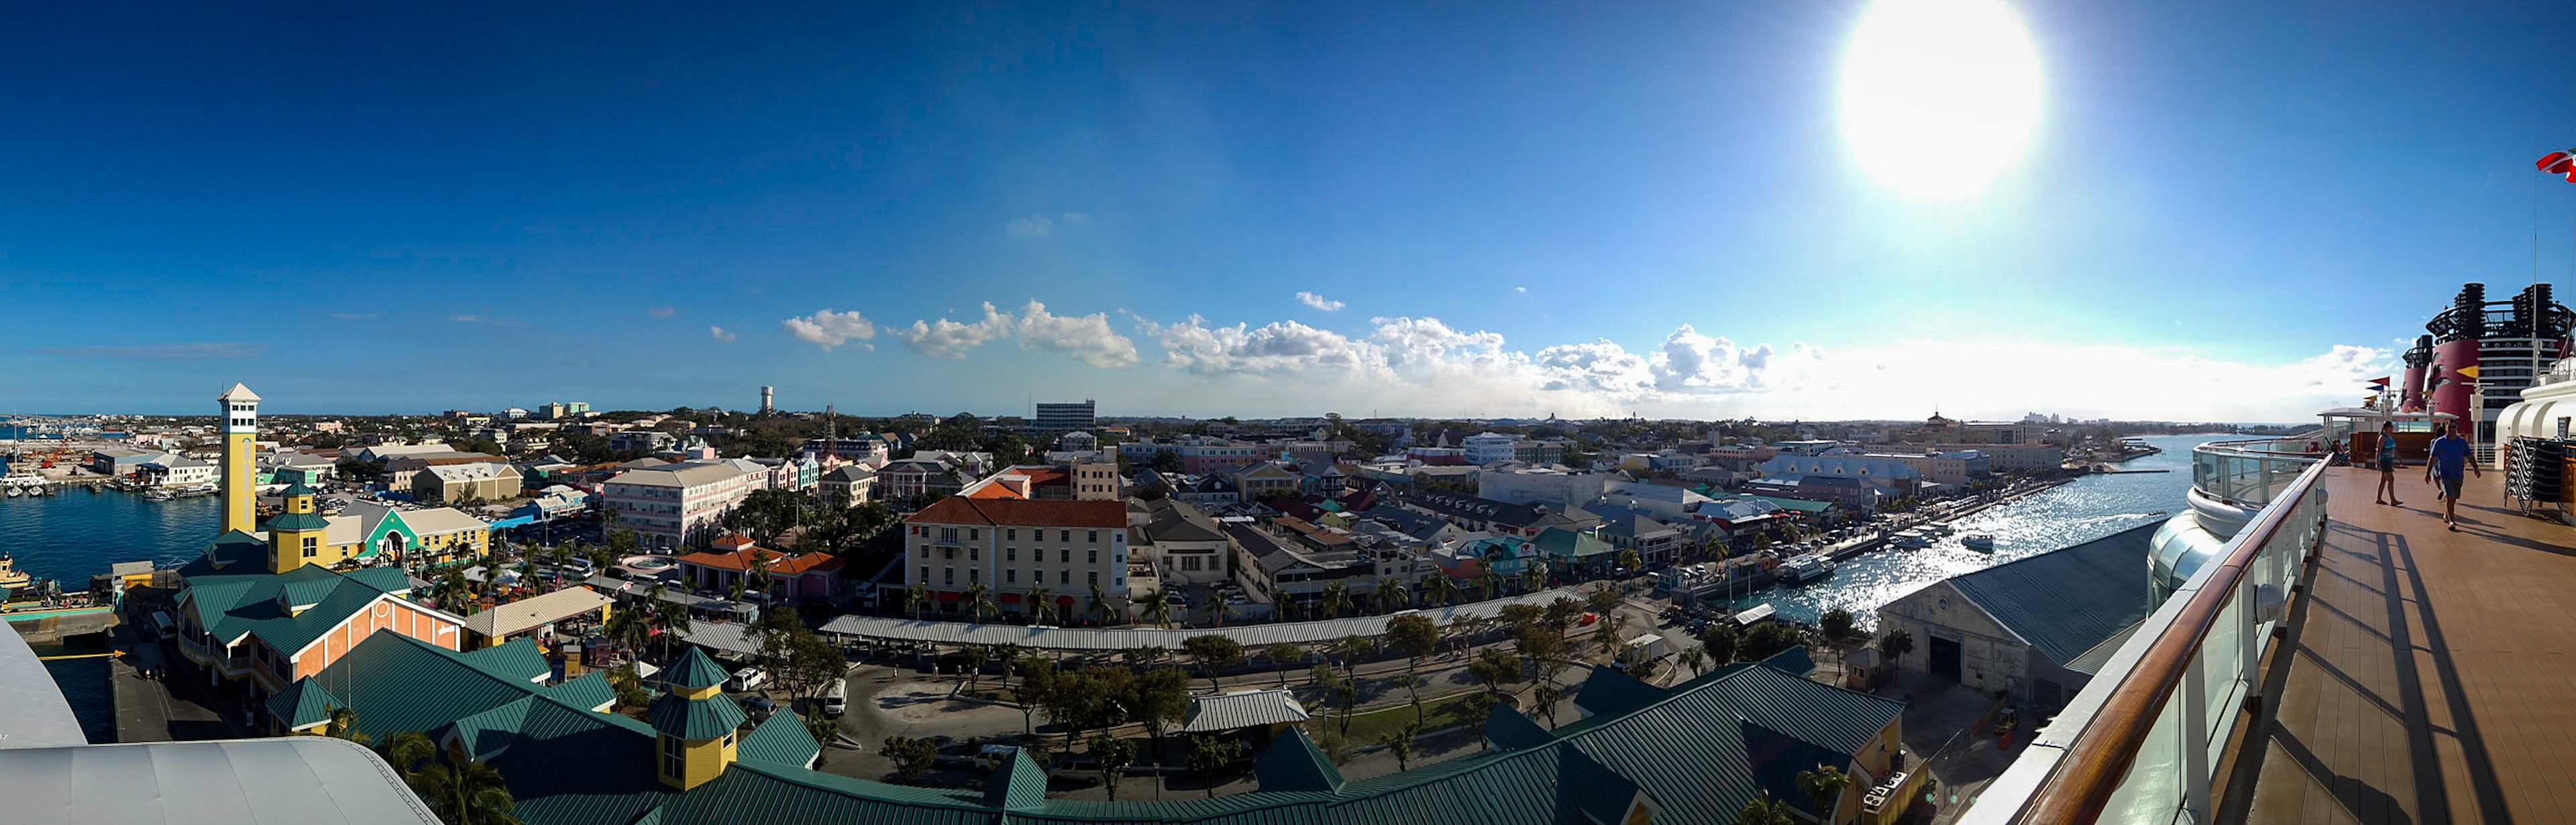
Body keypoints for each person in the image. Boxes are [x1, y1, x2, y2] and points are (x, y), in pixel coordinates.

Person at [2424, 423, 2480, 530]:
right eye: (2450, 427)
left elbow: (2470, 456)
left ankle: (2447, 514)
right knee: (2450, 497)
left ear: (2457, 429)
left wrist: (2476, 468)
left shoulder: (2462, 442)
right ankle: (2452, 521)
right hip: (2445, 475)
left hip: (2458, 475)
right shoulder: (2440, 442)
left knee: (2453, 498)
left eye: (2454, 427)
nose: (2452, 429)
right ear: (2446, 428)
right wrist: (2428, 473)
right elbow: (2432, 458)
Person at [2374, 422, 2403, 506]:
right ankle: (2393, 500)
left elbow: (2394, 450)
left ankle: (2379, 499)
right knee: (2391, 479)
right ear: (2386, 428)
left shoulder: (2391, 438)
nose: (2392, 428)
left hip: (2390, 461)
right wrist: (2377, 462)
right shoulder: (2383, 438)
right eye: (2391, 427)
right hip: (2384, 461)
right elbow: (2379, 451)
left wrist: (2400, 459)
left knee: (2383, 480)